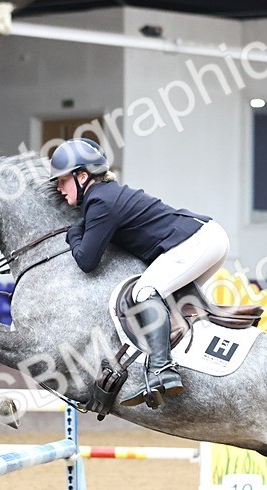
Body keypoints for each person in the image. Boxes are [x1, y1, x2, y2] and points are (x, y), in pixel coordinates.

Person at [52, 138, 229, 406]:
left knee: (145, 291)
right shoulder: (104, 197)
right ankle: (176, 368)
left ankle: (161, 369)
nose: (58, 187)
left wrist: (74, 233)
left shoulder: (101, 201)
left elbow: (87, 261)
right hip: (204, 239)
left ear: (83, 176)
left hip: (199, 241)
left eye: (62, 180)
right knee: (167, 305)